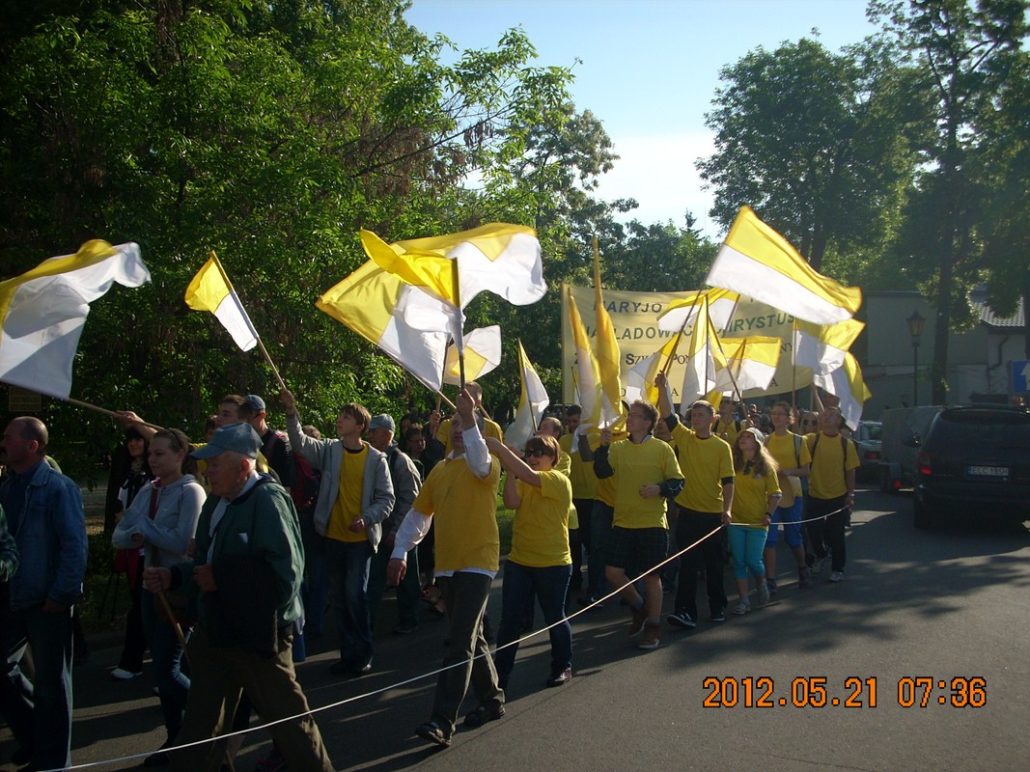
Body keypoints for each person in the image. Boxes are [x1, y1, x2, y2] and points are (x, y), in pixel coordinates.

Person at [142, 423, 332, 771]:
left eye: (215, 463)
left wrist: (222, 581)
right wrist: (176, 577)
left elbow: (287, 580)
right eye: (206, 463)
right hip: (216, 627)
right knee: (201, 725)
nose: (206, 470)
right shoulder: (216, 499)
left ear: (244, 467)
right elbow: (204, 562)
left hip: (261, 636)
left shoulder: (269, 500)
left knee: (291, 726)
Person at [387, 389, 505, 748]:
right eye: (454, 423)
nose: (458, 428)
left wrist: (471, 418)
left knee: (458, 642)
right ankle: (493, 699)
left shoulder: (486, 463)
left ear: (480, 430)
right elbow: (420, 515)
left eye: (465, 423)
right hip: (449, 566)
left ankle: (442, 720)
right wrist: (400, 552)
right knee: (472, 637)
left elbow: (480, 461)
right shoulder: (439, 469)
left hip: (479, 563)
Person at [281, 390, 394, 677]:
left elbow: (387, 499)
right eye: (340, 416)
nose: (339, 420)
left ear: (360, 426)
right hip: (332, 538)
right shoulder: (330, 450)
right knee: (340, 599)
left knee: (355, 596)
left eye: (346, 417)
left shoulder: (376, 459)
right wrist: (292, 413)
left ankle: (364, 651)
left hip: (359, 542)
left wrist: (366, 518)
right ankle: (347, 654)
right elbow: (301, 444)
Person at [112, 429, 205, 766]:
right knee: (162, 670)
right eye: (151, 453)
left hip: (175, 588)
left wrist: (143, 530)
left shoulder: (190, 491)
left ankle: (209, 716)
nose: (152, 459)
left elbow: (183, 542)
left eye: (161, 453)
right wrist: (138, 532)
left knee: (168, 667)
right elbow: (119, 536)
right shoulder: (148, 490)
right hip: (148, 584)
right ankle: (176, 735)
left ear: (180, 455)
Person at [0, 417, 88, 770]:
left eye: (8, 437)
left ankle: (53, 761)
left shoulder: (57, 487)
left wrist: (63, 593)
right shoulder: (7, 487)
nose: (3, 443)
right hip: (11, 596)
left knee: (52, 683)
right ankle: (37, 737)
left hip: (47, 599)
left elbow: (74, 545)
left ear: (32, 445)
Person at [592, 400, 684, 651]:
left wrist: (660, 488)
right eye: (629, 415)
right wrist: (603, 446)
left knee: (652, 576)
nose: (629, 419)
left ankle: (653, 627)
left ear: (647, 422)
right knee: (612, 573)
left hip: (653, 522)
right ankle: (640, 608)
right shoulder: (618, 448)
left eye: (635, 416)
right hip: (623, 520)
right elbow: (602, 472)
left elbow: (677, 482)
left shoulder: (662, 448)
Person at [488, 434, 574, 689]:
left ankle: (562, 665)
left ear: (553, 459)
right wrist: (512, 470)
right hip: (520, 560)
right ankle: (500, 676)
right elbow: (512, 502)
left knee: (554, 617)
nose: (534, 458)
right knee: (510, 620)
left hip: (553, 562)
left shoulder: (558, 480)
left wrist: (503, 452)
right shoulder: (524, 476)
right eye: (531, 453)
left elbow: (530, 476)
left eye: (541, 453)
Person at [656, 373, 735, 630]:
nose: (696, 418)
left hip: (713, 514)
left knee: (713, 565)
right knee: (687, 564)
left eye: (702, 414)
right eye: (694, 414)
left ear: (713, 419)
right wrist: (664, 387)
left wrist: (728, 510)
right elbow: (668, 413)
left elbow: (729, 482)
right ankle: (684, 611)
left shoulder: (722, 447)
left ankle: (718, 606)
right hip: (687, 512)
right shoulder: (685, 438)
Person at [365, 414, 423, 635]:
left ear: (387, 434)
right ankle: (367, 623)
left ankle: (410, 619)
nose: (369, 435)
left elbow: (412, 499)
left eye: (374, 431)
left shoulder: (400, 461)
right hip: (380, 529)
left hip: (401, 530)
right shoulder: (372, 457)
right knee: (374, 578)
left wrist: (399, 531)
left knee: (407, 579)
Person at [107, 427, 154, 681]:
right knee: (139, 601)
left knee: (141, 603)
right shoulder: (127, 472)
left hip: (147, 546)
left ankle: (133, 660)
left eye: (138, 439)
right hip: (131, 544)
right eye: (130, 440)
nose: (134, 444)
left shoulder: (152, 475)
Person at [728, 429, 781, 614]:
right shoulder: (732, 463)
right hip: (735, 520)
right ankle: (744, 600)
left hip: (758, 522)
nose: (743, 439)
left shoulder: (766, 467)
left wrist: (769, 513)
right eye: (741, 436)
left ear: (758, 442)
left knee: (753, 561)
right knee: (739, 561)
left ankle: (761, 581)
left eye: (748, 437)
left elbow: (775, 493)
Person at [804, 407, 859, 582]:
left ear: (839, 421)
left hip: (838, 496)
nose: (827, 417)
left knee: (836, 535)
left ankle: (838, 568)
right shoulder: (812, 440)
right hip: (815, 495)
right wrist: (798, 421)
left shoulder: (846, 444)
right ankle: (821, 554)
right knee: (813, 532)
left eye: (832, 415)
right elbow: (794, 442)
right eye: (825, 415)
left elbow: (850, 471)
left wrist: (850, 494)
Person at [763, 401, 812, 592]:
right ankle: (771, 579)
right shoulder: (766, 441)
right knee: (771, 538)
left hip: (793, 493)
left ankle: (802, 567)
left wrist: (789, 471)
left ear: (789, 418)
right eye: (774, 413)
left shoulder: (798, 441)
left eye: (781, 414)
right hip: (772, 495)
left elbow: (806, 470)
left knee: (793, 537)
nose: (776, 417)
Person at [240, 394, 292, 486]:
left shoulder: (279, 442)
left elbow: (287, 482)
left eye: (248, 418)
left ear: (262, 415)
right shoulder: (241, 441)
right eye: (242, 417)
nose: (245, 423)